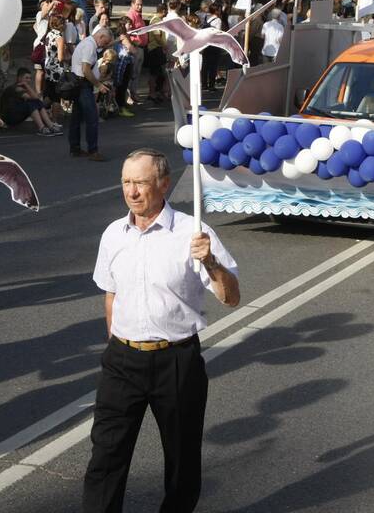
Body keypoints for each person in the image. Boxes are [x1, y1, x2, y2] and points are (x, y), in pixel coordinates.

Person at [82, 149, 240, 513]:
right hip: (122, 361)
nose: (132, 191)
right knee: (105, 458)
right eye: (126, 182)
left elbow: (231, 298)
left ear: (163, 184)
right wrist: (117, 344)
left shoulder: (193, 234)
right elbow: (111, 294)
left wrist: (211, 262)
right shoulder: (113, 234)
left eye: (140, 182)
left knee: (182, 461)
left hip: (176, 361)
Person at [68, 26, 113, 160]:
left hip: (78, 83)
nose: (104, 45)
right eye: (105, 42)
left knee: (76, 117)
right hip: (83, 84)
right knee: (92, 118)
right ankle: (93, 151)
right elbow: (86, 69)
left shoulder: (89, 43)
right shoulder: (89, 46)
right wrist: (98, 85)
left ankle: (75, 148)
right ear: (100, 36)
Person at [0, 67, 61, 135]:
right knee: (32, 103)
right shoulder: (16, 88)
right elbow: (35, 97)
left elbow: (36, 99)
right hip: (9, 118)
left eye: (30, 78)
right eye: (26, 78)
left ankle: (50, 126)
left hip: (16, 113)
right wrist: (27, 85)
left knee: (36, 102)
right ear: (19, 78)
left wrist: (26, 86)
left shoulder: (23, 87)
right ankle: (42, 128)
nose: (29, 80)